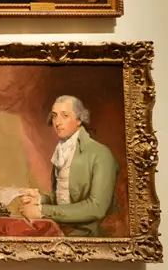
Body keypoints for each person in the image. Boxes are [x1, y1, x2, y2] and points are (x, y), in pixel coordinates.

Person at [19, 94, 119, 236]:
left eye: (65, 116)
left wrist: (42, 210)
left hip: (89, 233)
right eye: (54, 116)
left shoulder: (101, 154)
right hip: (62, 229)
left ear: (79, 120)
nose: (57, 122)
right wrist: (40, 199)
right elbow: (64, 200)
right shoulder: (60, 151)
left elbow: (97, 208)